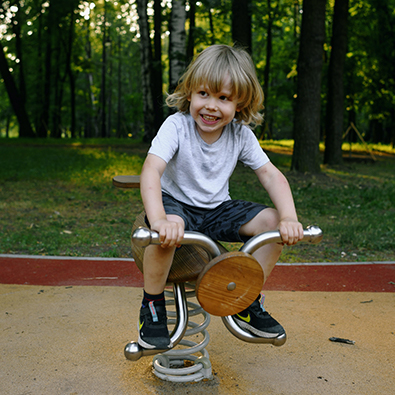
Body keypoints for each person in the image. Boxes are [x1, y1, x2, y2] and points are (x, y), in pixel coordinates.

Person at [138, 44, 304, 350]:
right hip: (177, 203)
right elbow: (151, 170)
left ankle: (245, 297)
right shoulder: (177, 126)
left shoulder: (240, 134)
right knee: (169, 229)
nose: (211, 106)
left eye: (223, 98)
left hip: (217, 208)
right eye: (204, 94)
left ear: (239, 103)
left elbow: (271, 175)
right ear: (189, 93)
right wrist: (159, 219)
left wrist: (289, 217)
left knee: (273, 222)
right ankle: (152, 306)